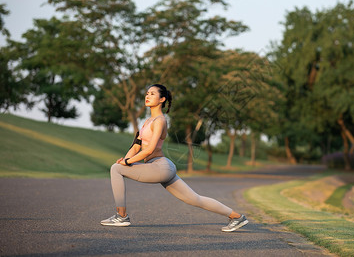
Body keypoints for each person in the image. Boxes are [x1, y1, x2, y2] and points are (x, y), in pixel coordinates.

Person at [101, 84, 248, 232]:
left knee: (115, 169)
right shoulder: (147, 122)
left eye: (152, 94)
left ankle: (121, 217)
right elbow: (136, 147)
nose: (147, 96)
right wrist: (125, 160)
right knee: (194, 199)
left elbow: (150, 149)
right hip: (161, 167)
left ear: (162, 99)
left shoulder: (160, 120)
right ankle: (237, 217)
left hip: (159, 166)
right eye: (146, 93)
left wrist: (126, 163)